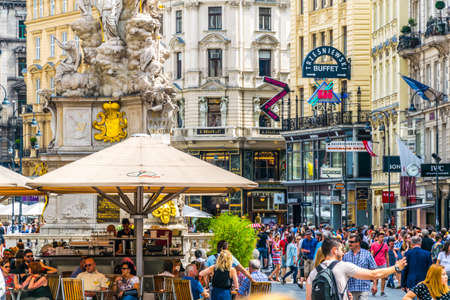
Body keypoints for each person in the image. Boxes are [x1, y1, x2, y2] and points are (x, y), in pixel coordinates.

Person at [305, 238, 407, 300]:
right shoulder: (343, 266)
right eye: (341, 249)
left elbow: (309, 298)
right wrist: (396, 268)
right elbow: (374, 274)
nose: (344, 252)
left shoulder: (314, 272)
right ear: (334, 250)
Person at [342, 233, 378, 300]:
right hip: (351, 288)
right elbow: (343, 273)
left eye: (352, 242)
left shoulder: (367, 254)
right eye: (349, 242)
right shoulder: (346, 256)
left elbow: (373, 270)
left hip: (363, 287)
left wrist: (374, 285)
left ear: (358, 243)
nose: (349, 244)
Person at [370, 231, 389, 296]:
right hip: (375, 264)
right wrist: (371, 264)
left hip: (383, 263)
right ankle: (374, 289)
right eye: (381, 237)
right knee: (376, 278)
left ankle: (382, 291)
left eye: (383, 237)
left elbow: (387, 255)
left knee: (383, 278)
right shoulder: (373, 244)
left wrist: (388, 265)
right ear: (377, 238)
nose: (382, 238)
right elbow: (372, 255)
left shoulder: (385, 245)